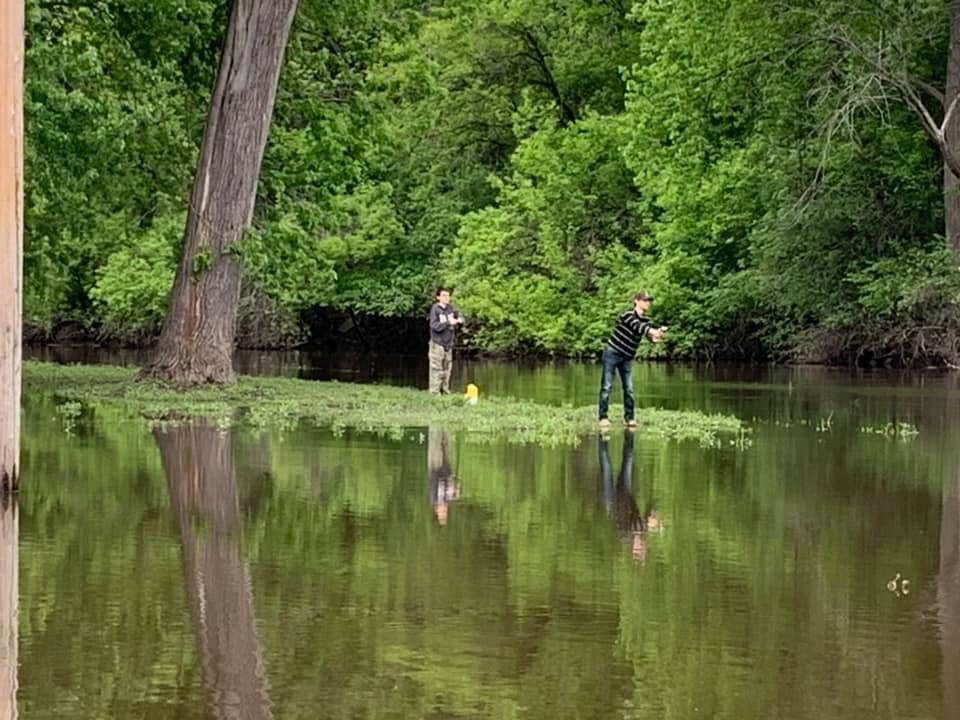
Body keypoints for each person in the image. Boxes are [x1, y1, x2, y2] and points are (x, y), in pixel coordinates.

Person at [598, 290, 667, 429]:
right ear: (636, 301)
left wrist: (658, 335)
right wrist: (652, 331)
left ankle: (629, 418)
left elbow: (649, 336)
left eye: (648, 300)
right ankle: (603, 417)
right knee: (607, 387)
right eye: (645, 300)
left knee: (629, 389)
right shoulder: (627, 315)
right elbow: (638, 326)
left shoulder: (646, 321)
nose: (647, 303)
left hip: (627, 357)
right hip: (612, 353)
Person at [427, 288, 464, 395]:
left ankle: (445, 391)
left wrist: (460, 319)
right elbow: (434, 326)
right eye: (444, 295)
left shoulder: (451, 308)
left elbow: (460, 316)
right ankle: (435, 392)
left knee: (447, 369)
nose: (446, 298)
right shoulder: (435, 309)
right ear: (438, 297)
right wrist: (448, 322)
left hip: (448, 344)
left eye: (448, 296)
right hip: (437, 343)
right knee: (436, 368)